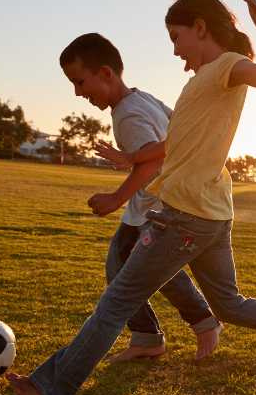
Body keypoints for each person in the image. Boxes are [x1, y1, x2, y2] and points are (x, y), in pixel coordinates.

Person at [8, 0, 256, 395]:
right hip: (211, 212)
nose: (175, 50)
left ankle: (55, 388)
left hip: (185, 216)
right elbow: (173, 144)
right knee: (229, 304)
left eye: (176, 37)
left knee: (117, 301)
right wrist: (132, 158)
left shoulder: (226, 67)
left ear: (200, 28)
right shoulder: (203, 81)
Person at [58, 33, 222, 363]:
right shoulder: (142, 98)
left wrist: (116, 197)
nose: (77, 92)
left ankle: (200, 323)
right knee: (123, 268)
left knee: (143, 270)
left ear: (105, 73)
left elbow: (151, 164)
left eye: (80, 81)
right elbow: (180, 128)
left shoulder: (127, 115)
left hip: (153, 208)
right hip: (154, 206)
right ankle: (150, 336)